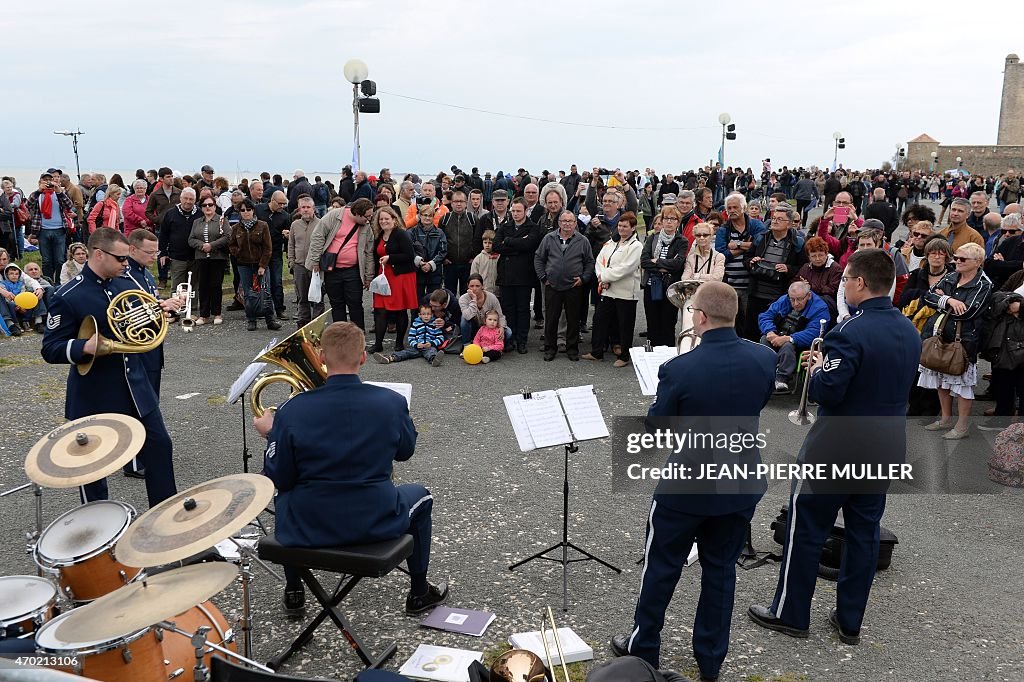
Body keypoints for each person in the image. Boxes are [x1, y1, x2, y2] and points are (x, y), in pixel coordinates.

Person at [749, 248, 922, 647]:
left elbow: (831, 391)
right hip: (886, 443)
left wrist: (818, 366)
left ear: (860, 282)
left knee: (806, 527)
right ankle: (850, 621)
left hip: (839, 444)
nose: (844, 285)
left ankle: (790, 612)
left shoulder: (850, 331)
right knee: (864, 533)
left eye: (846, 280)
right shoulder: (909, 329)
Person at [611, 281, 776, 681]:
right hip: (739, 480)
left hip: (686, 485)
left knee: (661, 567)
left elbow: (658, 428)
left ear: (699, 317)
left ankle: (644, 648)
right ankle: (710, 660)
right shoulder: (764, 358)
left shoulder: (678, 368)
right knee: (721, 572)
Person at [255, 321, 448, 614]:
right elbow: (405, 453)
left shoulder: (291, 410)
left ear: (320, 357)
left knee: (287, 496)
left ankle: (294, 590)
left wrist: (272, 435)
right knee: (421, 495)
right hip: (374, 518)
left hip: (306, 525)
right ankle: (419, 593)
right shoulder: (391, 402)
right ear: (362, 357)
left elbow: (279, 476)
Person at [40, 228, 182, 506]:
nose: (126, 264)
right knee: (92, 469)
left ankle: (165, 518)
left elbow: (138, 326)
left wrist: (159, 316)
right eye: (120, 259)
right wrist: (84, 348)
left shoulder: (125, 285)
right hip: (96, 392)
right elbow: (50, 348)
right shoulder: (68, 295)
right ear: (98, 255)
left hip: (136, 386)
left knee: (160, 448)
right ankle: (98, 531)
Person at [918, 242, 993, 439]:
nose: (956, 261)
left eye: (962, 259)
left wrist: (942, 300)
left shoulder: (983, 284)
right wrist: (949, 300)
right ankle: (945, 419)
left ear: (977, 262)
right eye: (956, 257)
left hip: (966, 339)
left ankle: (961, 426)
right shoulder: (952, 276)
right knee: (941, 379)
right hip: (942, 334)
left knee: (963, 386)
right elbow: (928, 296)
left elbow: (968, 312)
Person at [534, 209, 595, 361]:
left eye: (570, 221)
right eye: (564, 221)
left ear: (575, 223)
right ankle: (550, 348)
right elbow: (539, 258)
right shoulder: (549, 238)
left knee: (573, 319)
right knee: (551, 319)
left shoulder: (582, 241)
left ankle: (572, 349)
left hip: (573, 287)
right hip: (552, 286)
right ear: (559, 223)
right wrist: (543, 277)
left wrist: (584, 278)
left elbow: (589, 262)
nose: (567, 224)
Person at [583, 211, 642, 366]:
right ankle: (597, 352)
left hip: (626, 293)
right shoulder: (611, 243)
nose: (621, 229)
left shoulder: (636, 246)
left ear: (633, 228)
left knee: (624, 325)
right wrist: (602, 277)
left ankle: (624, 356)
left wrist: (605, 277)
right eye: (620, 226)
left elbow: (627, 268)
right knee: (600, 320)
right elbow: (600, 261)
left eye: (625, 226)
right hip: (607, 290)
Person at [306, 198, 375, 327]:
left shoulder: (366, 227)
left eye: (371, 216)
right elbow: (318, 236)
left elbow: (369, 252)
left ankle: (358, 335)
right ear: (357, 213)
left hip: (353, 270)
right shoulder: (335, 216)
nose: (369, 219)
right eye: (367, 216)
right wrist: (315, 260)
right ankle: (340, 335)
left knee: (355, 304)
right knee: (337, 304)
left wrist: (368, 276)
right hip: (333, 269)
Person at [758, 280, 831, 393]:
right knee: (764, 339)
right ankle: (763, 374)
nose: (795, 303)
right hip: (778, 333)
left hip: (798, 342)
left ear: (809, 295)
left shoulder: (820, 308)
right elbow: (765, 316)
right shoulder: (784, 299)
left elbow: (815, 332)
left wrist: (789, 338)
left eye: (799, 299)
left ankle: (782, 378)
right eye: (792, 299)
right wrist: (770, 332)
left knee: (787, 345)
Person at [494, 198, 542, 354]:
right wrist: (517, 245)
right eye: (513, 211)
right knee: (508, 308)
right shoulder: (504, 226)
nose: (515, 214)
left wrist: (508, 242)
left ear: (526, 211)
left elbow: (530, 245)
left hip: (524, 275)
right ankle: (510, 338)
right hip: (506, 275)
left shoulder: (533, 228)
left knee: (522, 309)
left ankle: (522, 340)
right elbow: (496, 246)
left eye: (518, 211)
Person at [370, 206, 419, 353]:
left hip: (400, 276)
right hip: (384, 277)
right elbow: (376, 256)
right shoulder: (379, 235)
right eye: (381, 219)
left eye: (387, 218)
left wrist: (391, 258)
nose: (384, 221)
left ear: (394, 219)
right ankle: (378, 343)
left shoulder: (401, 234)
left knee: (399, 310)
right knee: (380, 310)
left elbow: (410, 255)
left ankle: (399, 343)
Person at [229, 199, 280, 331]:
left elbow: (268, 248)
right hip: (243, 265)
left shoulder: (262, 226)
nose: (246, 212)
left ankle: (270, 319)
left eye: (248, 210)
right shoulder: (235, 228)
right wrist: (237, 253)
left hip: (260, 264)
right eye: (242, 210)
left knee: (266, 291)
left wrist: (262, 265)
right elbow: (232, 245)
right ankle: (251, 319)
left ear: (253, 211)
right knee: (248, 293)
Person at [642, 207, 688, 347]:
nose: (669, 222)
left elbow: (678, 264)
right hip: (652, 286)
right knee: (652, 323)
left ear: (678, 222)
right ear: (661, 221)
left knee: (668, 324)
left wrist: (657, 262)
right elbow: (644, 261)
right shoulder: (652, 238)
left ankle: (667, 356)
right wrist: (665, 267)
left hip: (670, 288)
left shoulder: (682, 241)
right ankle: (651, 355)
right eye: (666, 219)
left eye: (673, 219)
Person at [188, 197, 230, 325]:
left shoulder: (222, 220)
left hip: (218, 258)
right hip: (201, 258)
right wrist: (202, 246)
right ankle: (204, 314)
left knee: (216, 285)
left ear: (215, 206)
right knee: (203, 286)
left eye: (210, 204)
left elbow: (228, 236)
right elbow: (191, 239)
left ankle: (217, 313)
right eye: (205, 205)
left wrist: (212, 245)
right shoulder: (196, 222)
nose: (208, 207)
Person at [27, 172, 74, 283]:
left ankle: (59, 282)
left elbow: (69, 206)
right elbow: (28, 205)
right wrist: (39, 190)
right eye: (45, 180)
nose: (48, 182)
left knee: (59, 260)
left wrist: (59, 192)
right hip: (42, 230)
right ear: (40, 182)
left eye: (50, 180)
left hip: (59, 230)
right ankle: (48, 282)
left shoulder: (59, 193)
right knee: (46, 260)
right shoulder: (37, 195)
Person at [288, 196, 325, 328]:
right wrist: (291, 262)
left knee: (317, 297)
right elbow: (291, 244)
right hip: (299, 266)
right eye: (303, 207)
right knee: (302, 297)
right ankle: (303, 323)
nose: (305, 210)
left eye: (308, 207)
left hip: (316, 267)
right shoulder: (295, 225)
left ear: (313, 209)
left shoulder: (321, 224)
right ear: (299, 209)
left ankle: (316, 324)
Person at [374, 303, 445, 366]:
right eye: (423, 314)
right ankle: (390, 358)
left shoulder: (434, 324)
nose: (426, 316)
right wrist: (416, 344)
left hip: (429, 347)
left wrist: (432, 343)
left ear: (432, 315)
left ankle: (434, 360)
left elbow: (440, 337)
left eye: (428, 314)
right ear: (419, 315)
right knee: (405, 352)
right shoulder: (415, 324)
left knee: (432, 352)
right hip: (417, 347)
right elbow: (411, 337)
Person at [795, 237, 843, 319]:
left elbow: (833, 289)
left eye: (820, 255)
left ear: (826, 254)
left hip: (827, 304)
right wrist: (800, 285)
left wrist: (810, 287)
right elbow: (794, 281)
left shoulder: (835, 268)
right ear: (809, 257)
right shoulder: (806, 267)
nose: (817, 259)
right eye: (813, 256)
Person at [410, 204, 448, 301]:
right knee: (416, 303)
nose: (427, 218)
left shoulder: (440, 233)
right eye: (425, 215)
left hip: (434, 273)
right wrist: (420, 262)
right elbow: (409, 250)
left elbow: (443, 251)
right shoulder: (411, 232)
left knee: (434, 302)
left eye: (430, 215)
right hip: (417, 272)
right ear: (420, 215)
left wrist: (431, 264)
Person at [470, 229, 499, 294]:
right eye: (485, 242)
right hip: (483, 292)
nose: (487, 245)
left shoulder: (498, 257)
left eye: (490, 243)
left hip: (497, 292)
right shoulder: (478, 258)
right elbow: (473, 276)